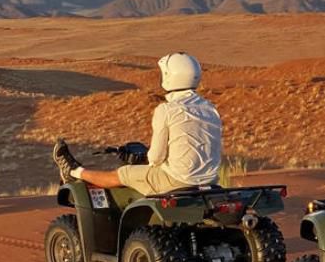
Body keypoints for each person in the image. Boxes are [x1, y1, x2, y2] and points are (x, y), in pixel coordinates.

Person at [52, 52, 222, 193]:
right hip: (210, 180)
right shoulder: (210, 109)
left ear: (170, 76)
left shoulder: (167, 110)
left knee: (121, 174)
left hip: (176, 181)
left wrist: (147, 158)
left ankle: (74, 171)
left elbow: (155, 159)